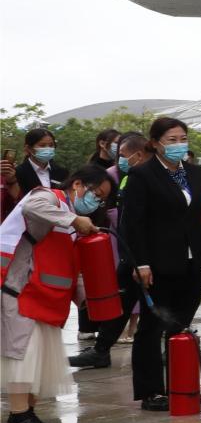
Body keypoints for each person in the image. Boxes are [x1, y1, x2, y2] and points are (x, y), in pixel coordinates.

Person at [118, 117, 201, 411]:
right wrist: (141, 263)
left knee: (181, 326)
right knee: (153, 326)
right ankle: (151, 391)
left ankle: (181, 385)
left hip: (192, 261)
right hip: (158, 263)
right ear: (155, 143)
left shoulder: (196, 174)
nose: (178, 145)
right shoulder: (142, 176)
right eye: (171, 139)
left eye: (182, 138)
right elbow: (132, 225)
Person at [2, 165, 114, 423]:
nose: (96, 202)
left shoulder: (70, 220)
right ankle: (20, 415)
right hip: (19, 288)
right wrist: (73, 219)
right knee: (23, 354)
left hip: (44, 297)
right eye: (95, 194)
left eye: (101, 200)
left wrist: (87, 298)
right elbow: (31, 207)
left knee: (38, 358)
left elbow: (68, 266)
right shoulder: (49, 197)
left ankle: (26, 415)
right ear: (77, 184)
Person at [70, 133, 153, 370]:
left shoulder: (152, 177)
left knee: (152, 306)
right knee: (121, 300)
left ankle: (159, 350)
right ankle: (101, 349)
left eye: (125, 156)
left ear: (139, 154)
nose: (121, 161)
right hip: (130, 250)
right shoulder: (128, 177)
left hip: (147, 251)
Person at [7, 128, 67, 203]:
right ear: (28, 148)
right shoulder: (17, 173)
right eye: (42, 145)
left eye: (51, 145)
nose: (48, 149)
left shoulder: (62, 172)